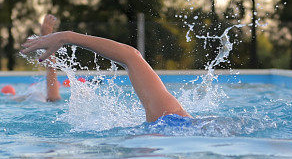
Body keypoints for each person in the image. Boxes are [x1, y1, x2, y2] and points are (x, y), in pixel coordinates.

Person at [21, 28, 190, 123]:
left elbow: (131, 56)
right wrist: (65, 37)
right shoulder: (171, 121)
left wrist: (66, 37)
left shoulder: (169, 121)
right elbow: (131, 56)